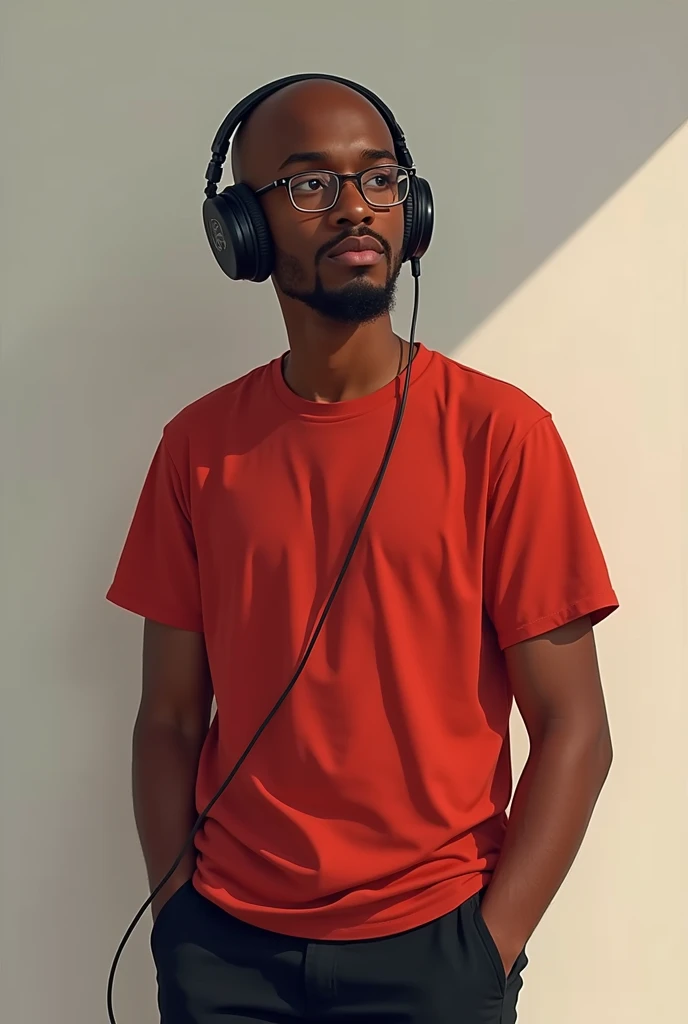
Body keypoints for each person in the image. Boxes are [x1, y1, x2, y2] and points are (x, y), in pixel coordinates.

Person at [107, 75, 619, 1024]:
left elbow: (576, 731)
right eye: (309, 184)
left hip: (439, 950)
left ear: (411, 208)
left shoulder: (499, 436)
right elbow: (171, 718)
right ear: (240, 231)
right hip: (226, 953)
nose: (354, 207)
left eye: (379, 178)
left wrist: (487, 950)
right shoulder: (197, 447)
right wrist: (177, 917)